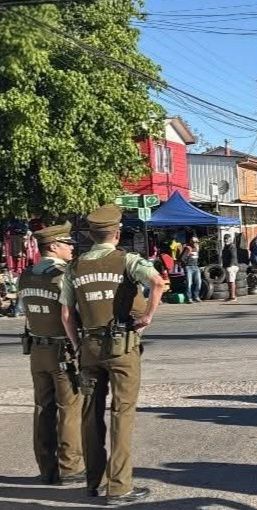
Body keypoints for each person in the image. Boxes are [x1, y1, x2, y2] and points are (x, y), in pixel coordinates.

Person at [60, 205, 164, 504]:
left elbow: (66, 314)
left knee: (89, 415)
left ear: (90, 235)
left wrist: (77, 345)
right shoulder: (127, 260)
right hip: (121, 347)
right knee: (122, 413)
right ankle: (119, 487)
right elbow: (157, 282)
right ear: (117, 233)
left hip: (89, 347)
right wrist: (147, 317)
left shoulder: (74, 267)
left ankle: (93, 482)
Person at [18, 223, 84, 486]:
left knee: (42, 408)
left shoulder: (26, 274)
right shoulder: (64, 275)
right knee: (69, 408)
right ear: (54, 246)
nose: (71, 248)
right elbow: (72, 315)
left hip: (37, 349)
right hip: (61, 349)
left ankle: (46, 468)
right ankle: (70, 467)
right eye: (67, 244)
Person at [180, 237, 201, 303]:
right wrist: (186, 264)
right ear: (191, 242)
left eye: (197, 242)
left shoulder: (197, 248)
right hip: (189, 267)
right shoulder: (188, 248)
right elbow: (182, 259)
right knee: (189, 283)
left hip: (196, 266)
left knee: (198, 282)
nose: (196, 243)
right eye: (195, 242)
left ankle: (196, 296)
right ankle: (189, 298)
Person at [221, 234, 239, 301]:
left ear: (230, 239)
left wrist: (230, 266)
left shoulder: (232, 246)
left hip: (231, 266)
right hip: (228, 266)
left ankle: (233, 297)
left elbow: (233, 256)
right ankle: (231, 296)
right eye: (224, 238)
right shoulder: (226, 246)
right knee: (229, 281)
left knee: (231, 281)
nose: (225, 240)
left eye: (227, 238)